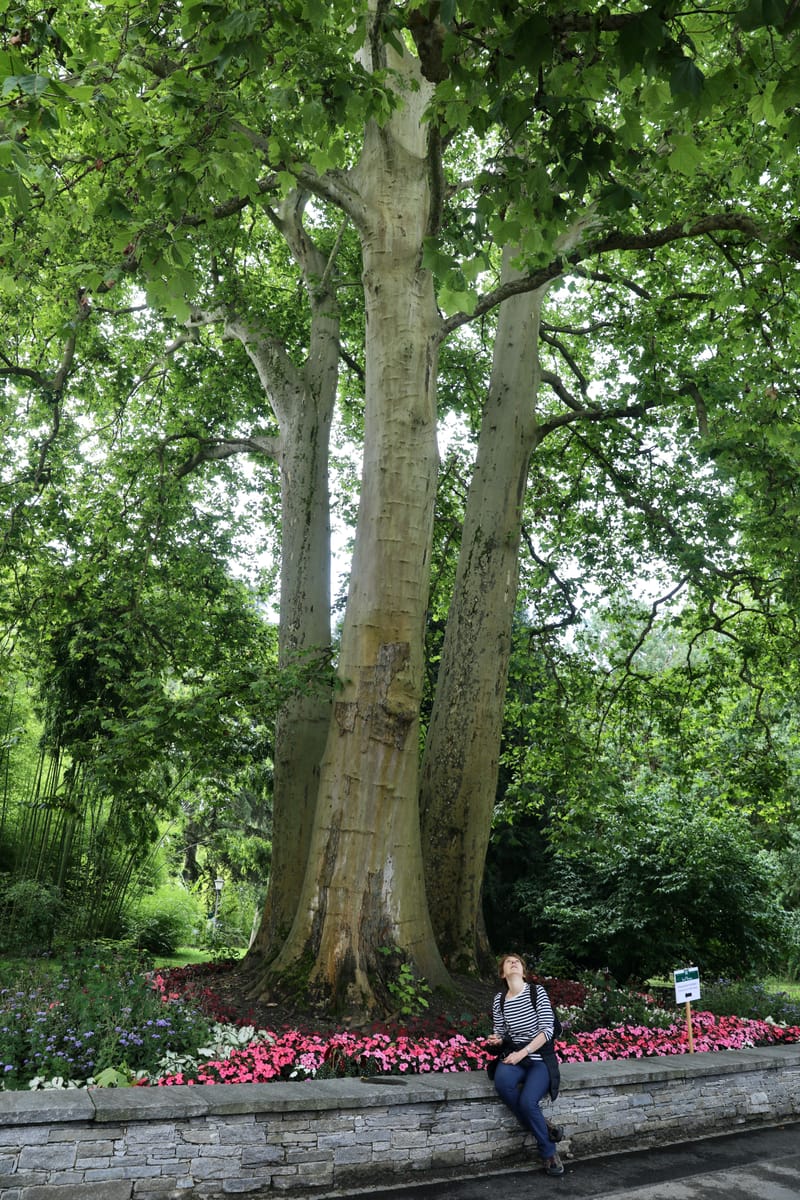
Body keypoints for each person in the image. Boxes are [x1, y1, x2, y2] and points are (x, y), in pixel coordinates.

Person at [486, 952, 564, 1177]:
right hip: (515, 1056)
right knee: (502, 1083)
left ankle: (549, 1152)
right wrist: (497, 1039)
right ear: (503, 973)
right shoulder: (500, 999)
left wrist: (523, 1053)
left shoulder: (536, 992)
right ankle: (546, 1127)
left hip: (539, 1058)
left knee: (528, 1101)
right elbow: (501, 1032)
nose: (514, 963)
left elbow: (547, 1030)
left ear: (523, 970)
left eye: (517, 961)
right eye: (509, 962)